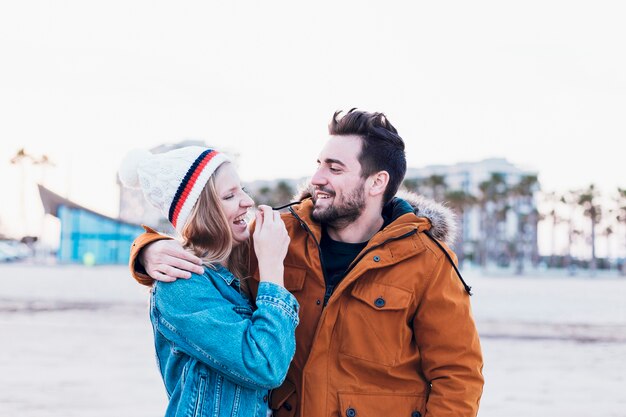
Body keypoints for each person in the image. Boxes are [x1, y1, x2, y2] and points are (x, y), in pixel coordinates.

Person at [129, 110, 484, 417]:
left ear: (377, 182)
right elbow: (207, 244)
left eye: (334, 168)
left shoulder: (428, 261)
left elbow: (458, 375)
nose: (316, 179)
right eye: (318, 164)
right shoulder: (276, 235)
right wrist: (148, 249)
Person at [118, 146, 299, 417]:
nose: (247, 202)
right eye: (229, 195)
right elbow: (263, 364)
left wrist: (146, 247)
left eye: (242, 189)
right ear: (202, 212)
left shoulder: (245, 264)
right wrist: (273, 268)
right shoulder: (180, 284)